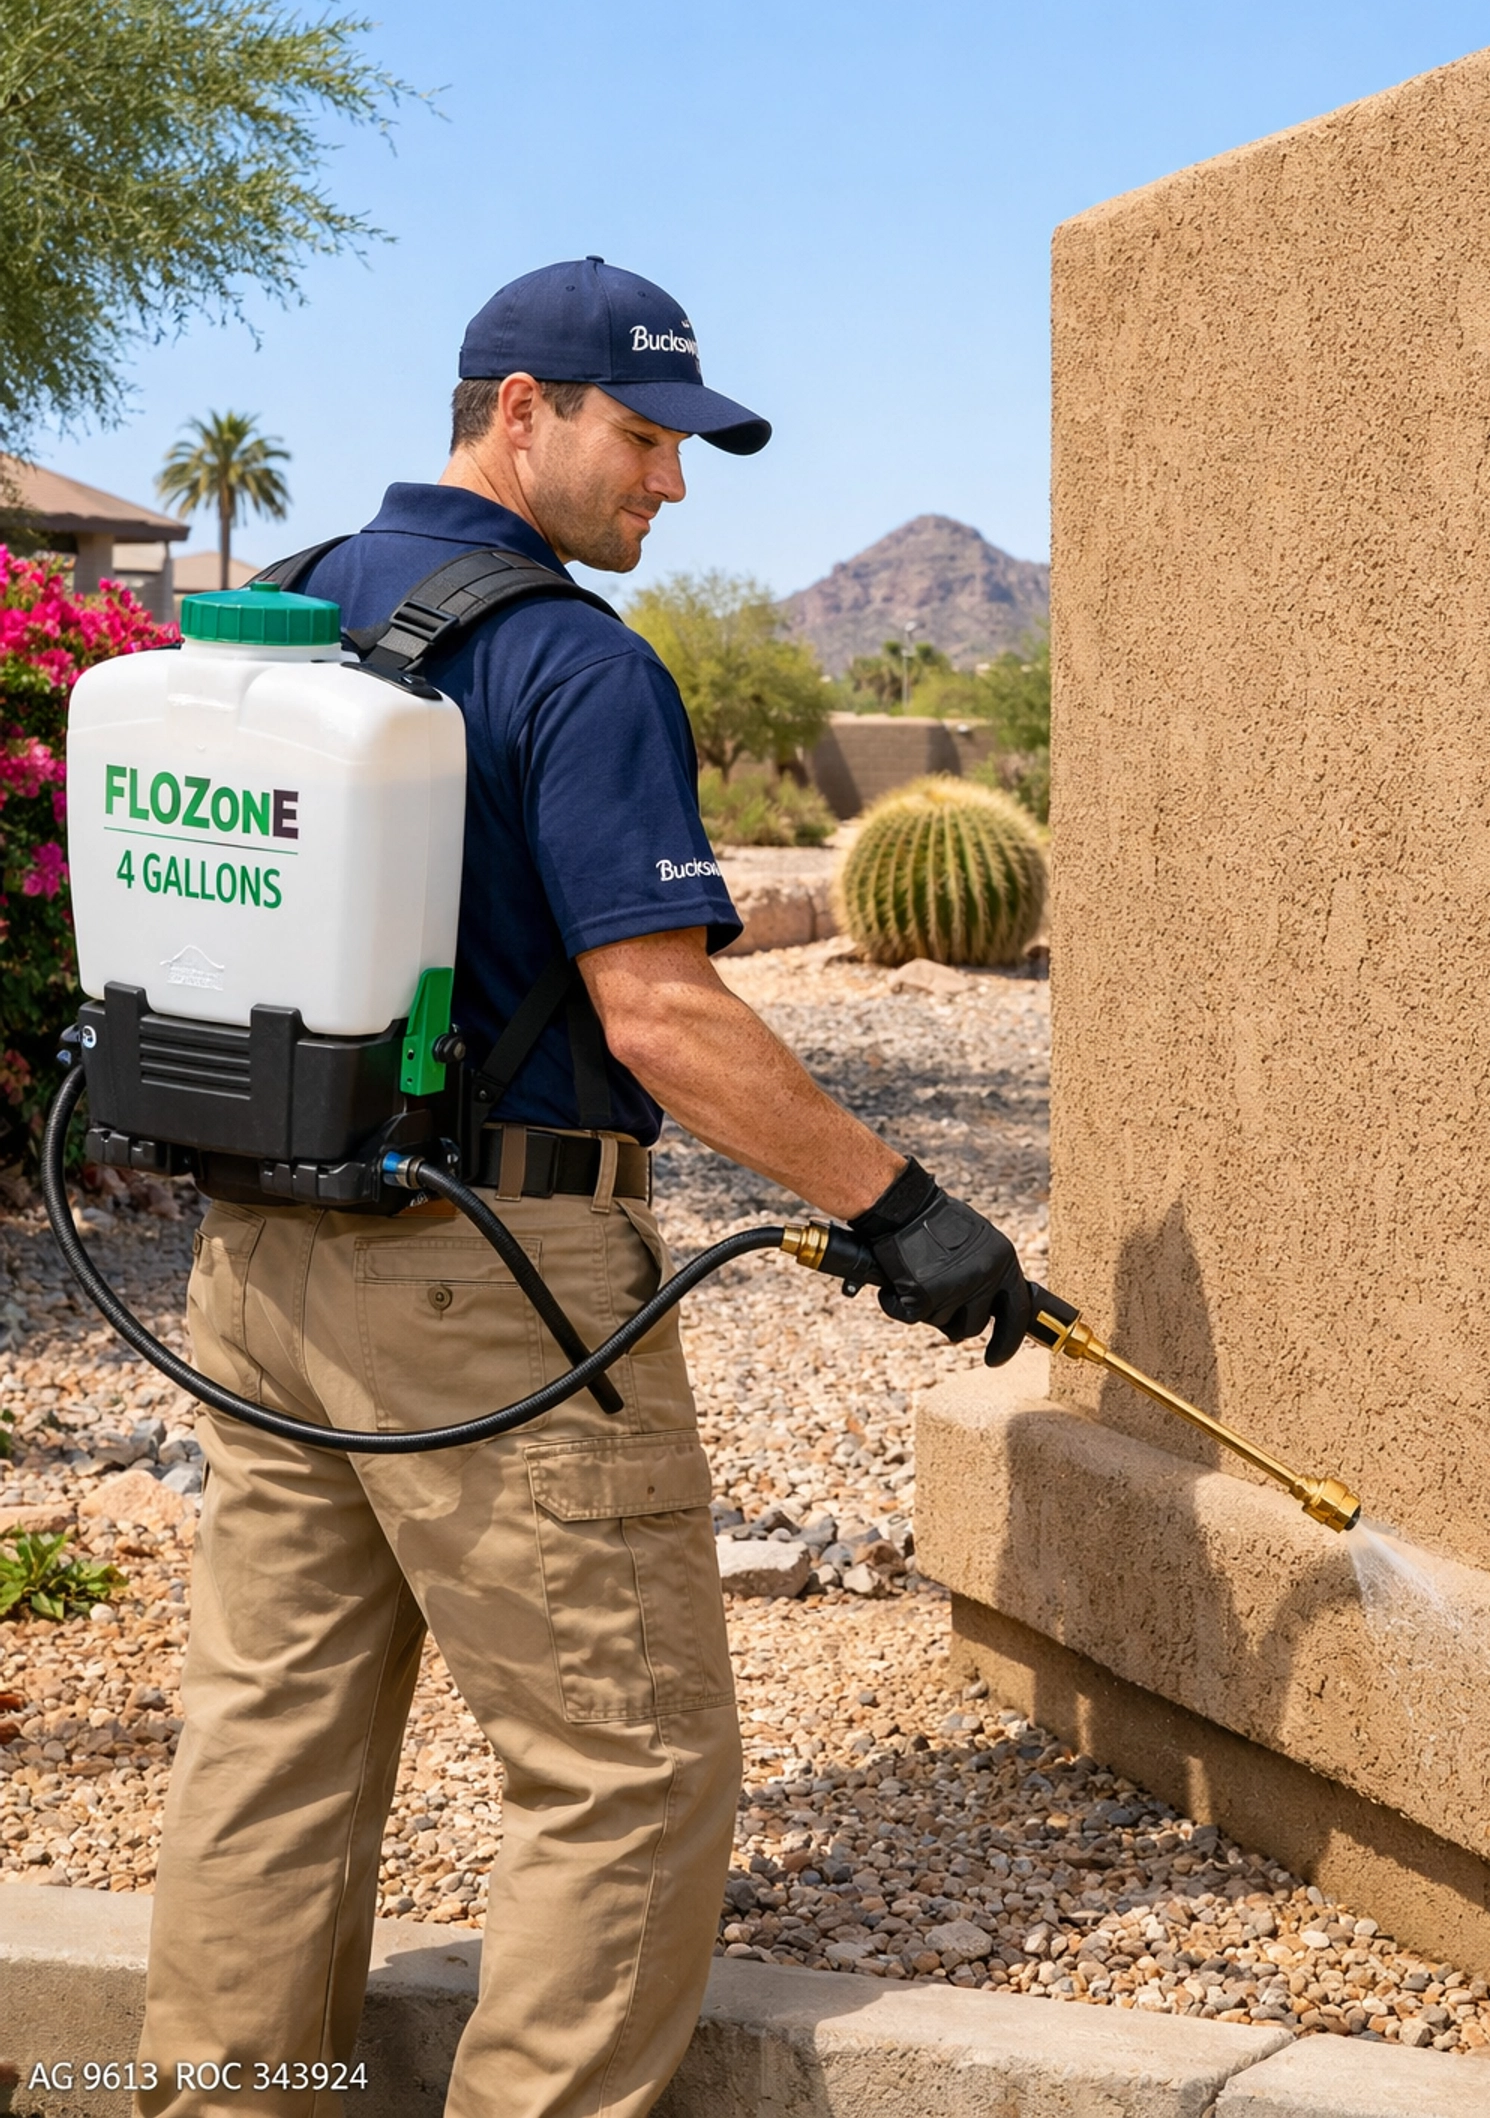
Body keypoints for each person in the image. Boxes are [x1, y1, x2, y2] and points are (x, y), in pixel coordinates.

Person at [138, 259, 1026, 2118]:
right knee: (622, 1778)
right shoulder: (575, 661)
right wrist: (903, 1210)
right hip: (491, 1280)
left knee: (268, 1746)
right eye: (643, 438)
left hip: (258, 1259)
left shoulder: (282, 608)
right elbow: (664, 1017)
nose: (672, 488)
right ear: (517, 412)